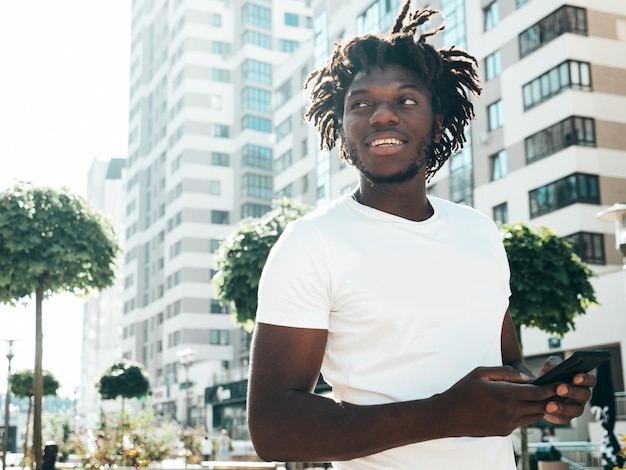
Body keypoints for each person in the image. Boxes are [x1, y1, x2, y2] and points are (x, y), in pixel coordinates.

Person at [246, 3, 596, 469]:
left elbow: (507, 364)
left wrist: (540, 395)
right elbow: (273, 428)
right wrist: (442, 415)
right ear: (343, 125)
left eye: (406, 100)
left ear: (437, 120)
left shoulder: (480, 232)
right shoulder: (311, 243)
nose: (382, 115)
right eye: (361, 103)